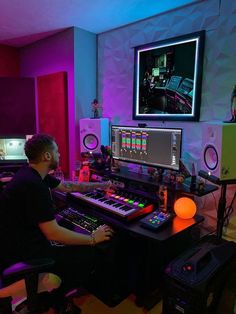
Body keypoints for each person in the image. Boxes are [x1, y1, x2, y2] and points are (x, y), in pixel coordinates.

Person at [0, 133, 114, 313]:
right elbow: (53, 233)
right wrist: (93, 238)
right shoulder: (35, 186)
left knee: (70, 233)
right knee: (87, 253)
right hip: (21, 254)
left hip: (15, 242)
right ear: (47, 156)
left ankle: (48, 295)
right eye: (57, 151)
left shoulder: (30, 172)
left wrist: (101, 185)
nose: (60, 155)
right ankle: (55, 298)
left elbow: (68, 186)